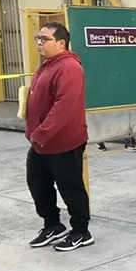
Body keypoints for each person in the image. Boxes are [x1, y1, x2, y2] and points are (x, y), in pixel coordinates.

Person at [25, 22, 94, 251]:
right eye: (38, 38)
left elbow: (63, 107)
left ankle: (81, 231)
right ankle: (52, 225)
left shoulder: (69, 68)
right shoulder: (48, 65)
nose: (39, 43)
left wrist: (41, 132)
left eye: (44, 39)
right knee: (38, 183)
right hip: (42, 142)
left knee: (70, 187)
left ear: (61, 42)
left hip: (63, 141)